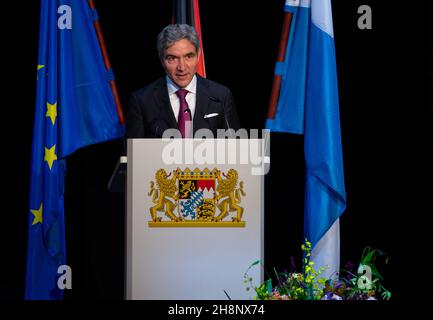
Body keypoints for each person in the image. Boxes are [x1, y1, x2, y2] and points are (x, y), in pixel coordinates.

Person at [126, 24, 241, 138]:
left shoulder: (221, 96)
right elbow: (131, 154)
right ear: (161, 59)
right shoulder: (141, 101)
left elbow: (235, 150)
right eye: (172, 58)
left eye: (189, 56)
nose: (182, 67)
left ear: (198, 55)